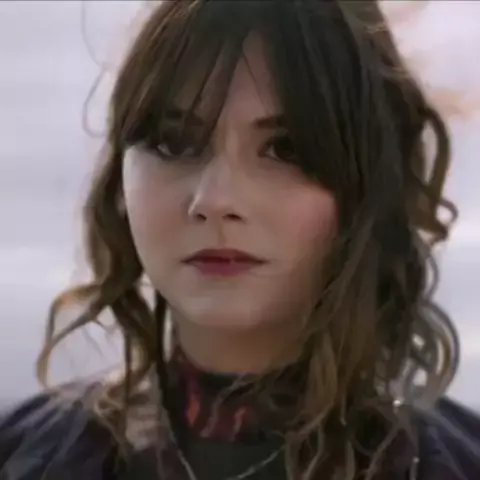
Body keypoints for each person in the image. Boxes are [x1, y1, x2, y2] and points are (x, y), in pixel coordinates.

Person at [1, 1, 480, 479]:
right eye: (173, 142)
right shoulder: (24, 458)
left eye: (285, 148)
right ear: (119, 180)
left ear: (371, 185)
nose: (215, 200)